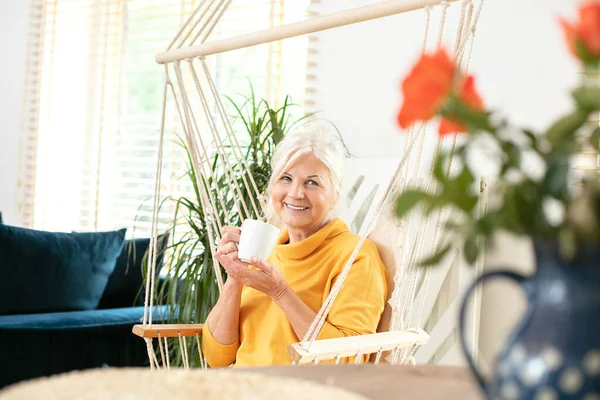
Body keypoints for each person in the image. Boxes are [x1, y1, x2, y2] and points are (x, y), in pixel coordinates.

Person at [202, 126, 389, 367]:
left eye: (312, 183)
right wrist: (235, 277)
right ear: (273, 187)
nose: (296, 193)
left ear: (335, 194)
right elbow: (218, 357)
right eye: (286, 178)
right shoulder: (265, 251)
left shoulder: (356, 257)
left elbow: (346, 361)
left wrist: (280, 293)